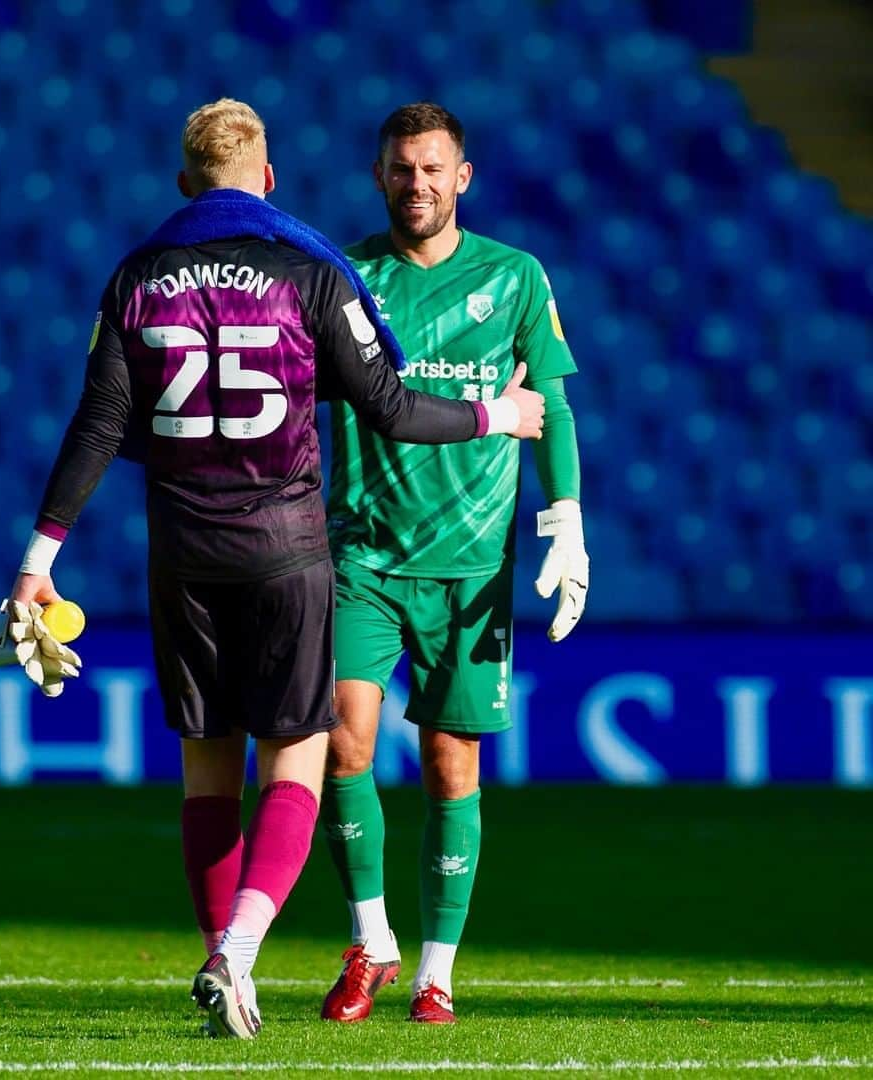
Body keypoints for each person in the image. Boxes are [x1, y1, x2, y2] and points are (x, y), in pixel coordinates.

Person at [3, 99, 545, 1039]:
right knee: (296, 760)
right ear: (269, 180)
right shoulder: (310, 270)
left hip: (182, 555)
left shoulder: (137, 274)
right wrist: (493, 417)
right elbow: (387, 405)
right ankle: (238, 955)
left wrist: (35, 562)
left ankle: (225, 967)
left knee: (205, 778)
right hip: (288, 554)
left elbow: (97, 424)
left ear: (185, 186)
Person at [320, 102, 589, 1025]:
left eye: (433, 168)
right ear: (379, 175)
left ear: (462, 176)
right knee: (342, 737)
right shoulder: (345, 278)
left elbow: (549, 401)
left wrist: (566, 521)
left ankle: (436, 972)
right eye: (402, 168)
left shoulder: (515, 278)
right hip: (361, 552)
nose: (418, 183)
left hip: (473, 566)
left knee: (449, 764)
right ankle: (371, 943)